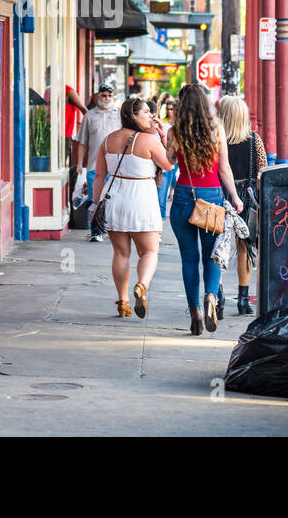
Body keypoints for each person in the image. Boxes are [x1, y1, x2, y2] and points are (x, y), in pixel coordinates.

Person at [167, 83, 244, 335]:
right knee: (213, 254)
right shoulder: (216, 129)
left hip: (182, 196)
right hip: (210, 197)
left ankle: (194, 312)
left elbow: (167, 163)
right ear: (204, 103)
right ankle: (211, 297)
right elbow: (224, 169)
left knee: (189, 258)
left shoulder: (175, 131)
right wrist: (235, 197)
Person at [92, 97, 173, 318]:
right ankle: (142, 286)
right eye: (146, 112)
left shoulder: (108, 140)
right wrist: (164, 136)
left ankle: (123, 302)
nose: (151, 116)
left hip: (113, 197)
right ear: (133, 116)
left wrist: (95, 203)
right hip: (141, 198)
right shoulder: (148, 140)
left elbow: (99, 175)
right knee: (149, 251)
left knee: (120, 253)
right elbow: (168, 164)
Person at [217, 95, 265, 316]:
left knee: (217, 247)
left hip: (219, 196)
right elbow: (262, 171)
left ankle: (216, 296)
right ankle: (243, 299)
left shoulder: (216, 140)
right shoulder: (254, 141)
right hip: (246, 197)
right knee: (245, 248)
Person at [77, 84, 122, 241]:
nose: (107, 98)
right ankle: (96, 230)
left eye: (109, 96)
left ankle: (111, 228)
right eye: (104, 95)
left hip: (115, 166)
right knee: (95, 198)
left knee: (113, 199)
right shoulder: (89, 116)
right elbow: (82, 142)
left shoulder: (119, 115)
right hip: (93, 166)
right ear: (98, 97)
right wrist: (78, 164)